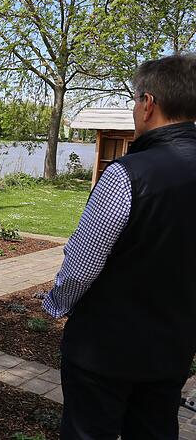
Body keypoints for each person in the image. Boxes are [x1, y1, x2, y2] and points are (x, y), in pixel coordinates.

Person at [43, 54, 196, 439]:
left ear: (148, 104)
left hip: (103, 351)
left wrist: (56, 304)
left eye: (133, 102)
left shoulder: (126, 175)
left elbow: (81, 266)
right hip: (173, 350)